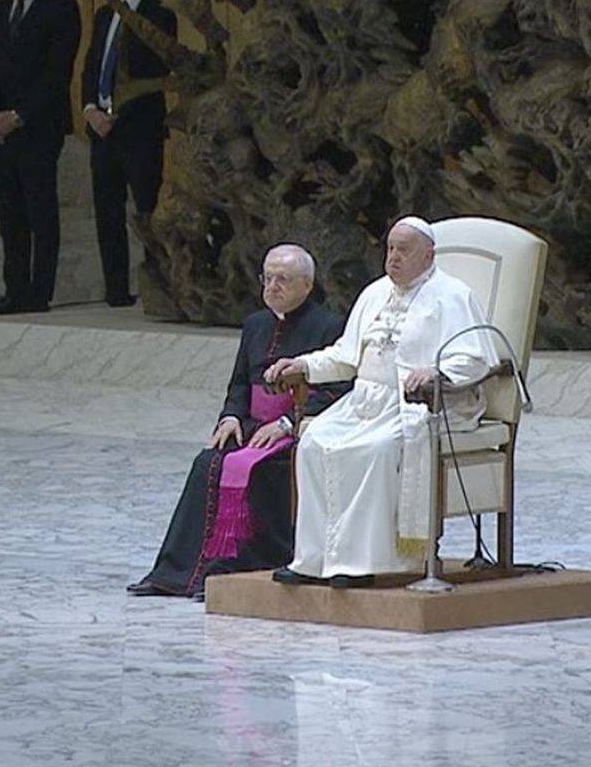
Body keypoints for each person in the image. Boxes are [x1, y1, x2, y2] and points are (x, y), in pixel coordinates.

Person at [264, 217, 497, 587]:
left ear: (429, 255)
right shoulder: (374, 293)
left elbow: (474, 357)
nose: (393, 258)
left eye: (404, 250)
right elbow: (346, 354)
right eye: (390, 248)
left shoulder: (453, 295)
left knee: (376, 450)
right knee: (313, 441)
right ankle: (314, 559)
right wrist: (304, 364)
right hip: (363, 401)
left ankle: (366, 563)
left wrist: (435, 373)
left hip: (415, 404)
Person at [127, 244, 347, 599]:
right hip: (250, 426)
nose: (273, 286)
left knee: (259, 471)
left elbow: (337, 389)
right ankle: (175, 572)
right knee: (207, 463)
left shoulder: (330, 326)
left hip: (295, 431)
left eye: (283, 280)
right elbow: (240, 383)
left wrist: (289, 424)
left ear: (307, 285)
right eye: (268, 278)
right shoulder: (255, 324)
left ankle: (226, 571)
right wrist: (230, 416)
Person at [0, 0, 82, 316]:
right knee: (10, 214)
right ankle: (14, 290)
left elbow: (56, 74)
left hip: (36, 128)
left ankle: (39, 293)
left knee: (40, 212)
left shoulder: (62, 6)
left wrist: (18, 116)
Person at [80, 0, 178, 308]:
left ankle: (158, 284)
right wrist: (91, 108)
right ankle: (115, 288)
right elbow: (92, 66)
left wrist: (118, 113)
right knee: (107, 208)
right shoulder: (106, 13)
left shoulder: (160, 15)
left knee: (146, 208)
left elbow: (156, 74)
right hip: (101, 128)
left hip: (138, 129)